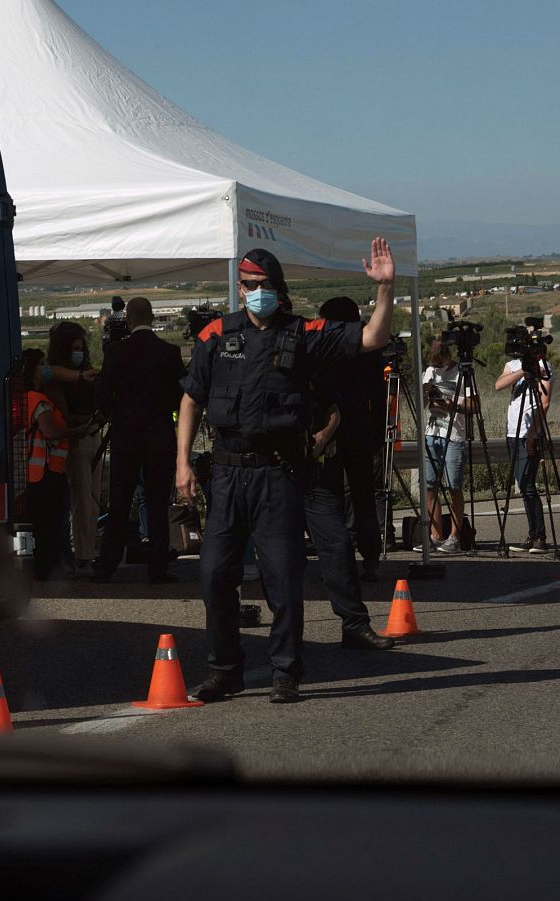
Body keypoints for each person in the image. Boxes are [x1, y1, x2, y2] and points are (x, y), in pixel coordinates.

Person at [177, 239, 397, 704]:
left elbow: (372, 338)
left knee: (281, 577)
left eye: (264, 285)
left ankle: (285, 671)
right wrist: (182, 464)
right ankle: (223, 671)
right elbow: (192, 398)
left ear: (278, 289)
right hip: (226, 472)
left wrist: (384, 289)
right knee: (215, 574)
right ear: (239, 289)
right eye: (249, 285)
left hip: (277, 475)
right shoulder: (215, 335)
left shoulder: (304, 333)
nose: (256, 292)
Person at [92, 298, 184, 583]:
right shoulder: (169, 352)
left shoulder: (116, 352)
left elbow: (103, 397)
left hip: (126, 437)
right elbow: (181, 398)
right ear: (153, 318)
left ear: (128, 320)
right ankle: (157, 568)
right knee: (157, 504)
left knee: (119, 503)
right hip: (159, 436)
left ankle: (107, 565)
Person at [317, 296, 387, 581]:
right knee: (363, 498)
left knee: (332, 501)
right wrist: (379, 435)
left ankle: (339, 560)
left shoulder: (327, 351)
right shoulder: (367, 351)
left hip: (334, 433)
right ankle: (369, 558)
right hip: (361, 431)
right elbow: (378, 396)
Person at [18, 349, 92, 581]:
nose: (46, 368)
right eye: (42, 364)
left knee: (41, 524)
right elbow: (51, 432)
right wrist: (76, 432)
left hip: (37, 472)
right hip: (45, 473)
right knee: (48, 525)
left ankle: (44, 568)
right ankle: (47, 569)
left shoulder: (27, 398)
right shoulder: (38, 400)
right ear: (32, 370)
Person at [46, 322, 102, 570]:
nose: (80, 353)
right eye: (75, 348)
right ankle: (84, 553)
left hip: (92, 435)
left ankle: (88, 549)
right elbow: (66, 415)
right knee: (82, 499)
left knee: (93, 498)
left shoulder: (82, 375)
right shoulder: (56, 378)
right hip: (77, 439)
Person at [494, 349, 552, 553]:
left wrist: (531, 433)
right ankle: (533, 533)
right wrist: (522, 372)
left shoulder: (543, 366)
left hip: (530, 434)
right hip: (512, 432)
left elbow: (544, 402)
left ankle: (539, 537)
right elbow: (499, 385)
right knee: (523, 484)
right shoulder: (512, 366)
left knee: (528, 484)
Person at [421, 338, 473, 554]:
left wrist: (454, 405)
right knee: (430, 486)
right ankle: (435, 535)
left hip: (454, 435)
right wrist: (425, 391)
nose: (437, 368)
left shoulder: (462, 372)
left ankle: (454, 537)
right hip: (432, 433)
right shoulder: (430, 371)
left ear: (447, 357)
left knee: (454, 487)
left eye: (440, 364)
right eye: (434, 365)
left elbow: (474, 405)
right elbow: (422, 404)